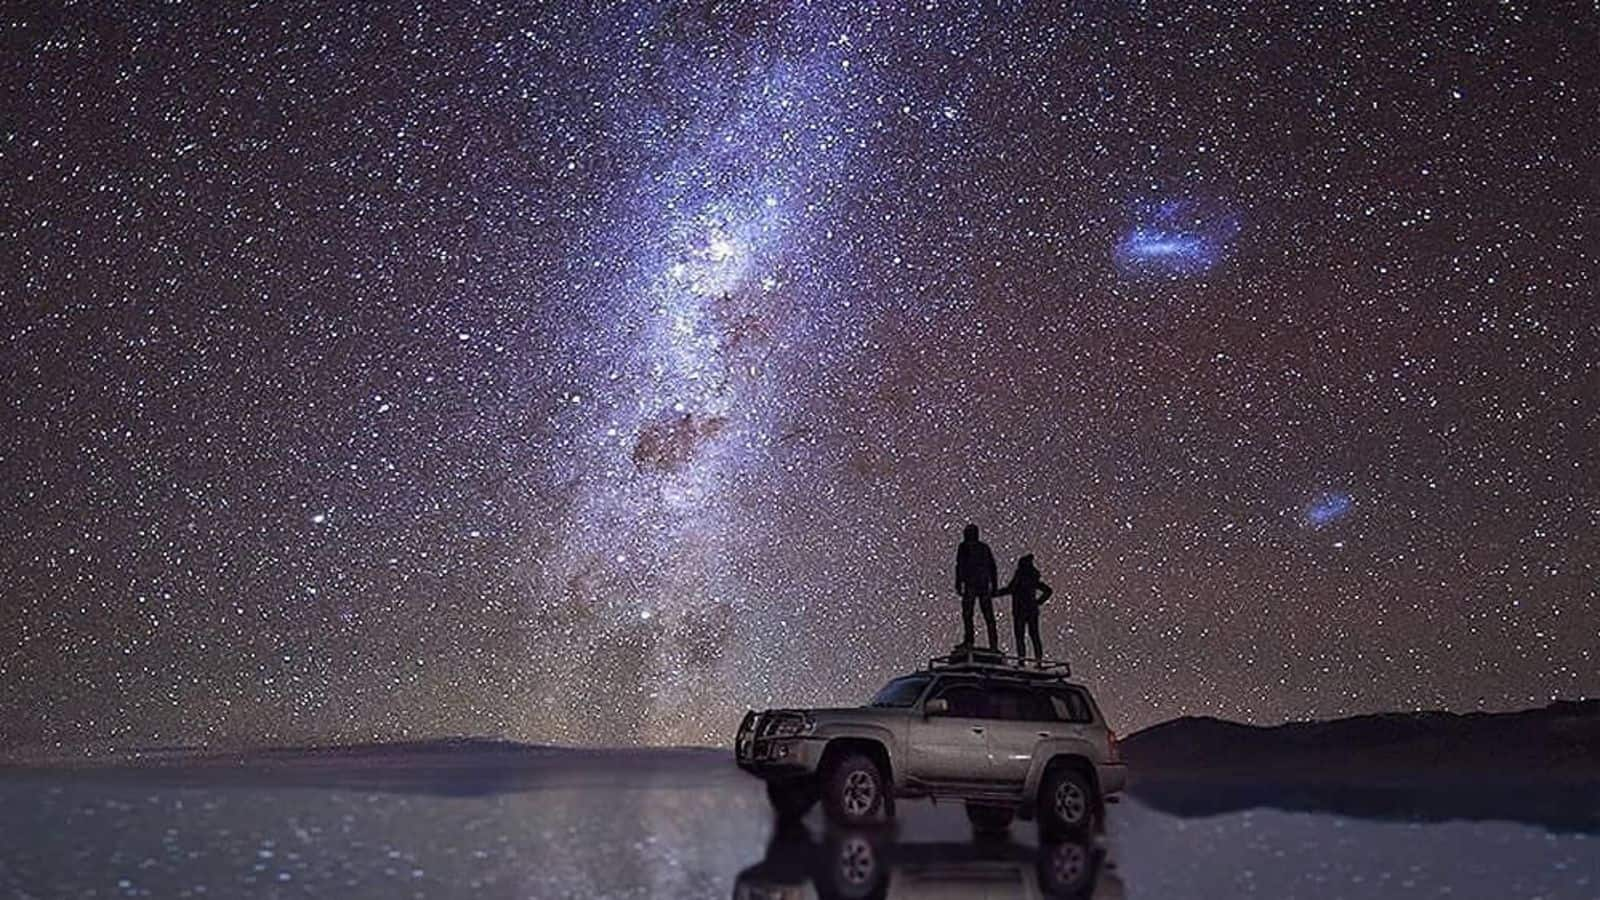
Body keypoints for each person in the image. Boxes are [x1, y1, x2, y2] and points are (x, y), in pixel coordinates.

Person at [994, 554, 1053, 664]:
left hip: (1020, 610)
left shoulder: (1019, 578)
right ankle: (1038, 661)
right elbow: (1048, 591)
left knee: (1020, 636)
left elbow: (1009, 589)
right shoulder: (1033, 579)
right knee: (1034, 635)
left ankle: (1022, 660)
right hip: (1032, 610)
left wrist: (994, 593)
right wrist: (1038, 602)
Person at [954, 524, 999, 649]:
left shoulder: (965, 547)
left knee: (971, 614)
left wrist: (958, 583)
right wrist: (994, 585)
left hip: (974, 584)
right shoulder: (983, 547)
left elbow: (960, 566)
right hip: (979, 584)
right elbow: (992, 567)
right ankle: (991, 643)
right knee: (984, 615)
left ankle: (971, 641)